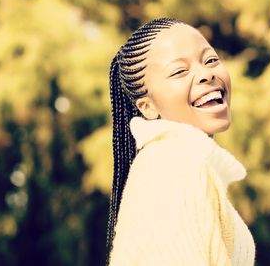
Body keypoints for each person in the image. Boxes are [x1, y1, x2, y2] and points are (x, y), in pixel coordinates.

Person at [106, 17, 255, 265]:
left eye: (211, 60)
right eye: (179, 71)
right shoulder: (173, 163)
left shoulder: (177, 159)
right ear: (148, 107)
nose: (206, 74)